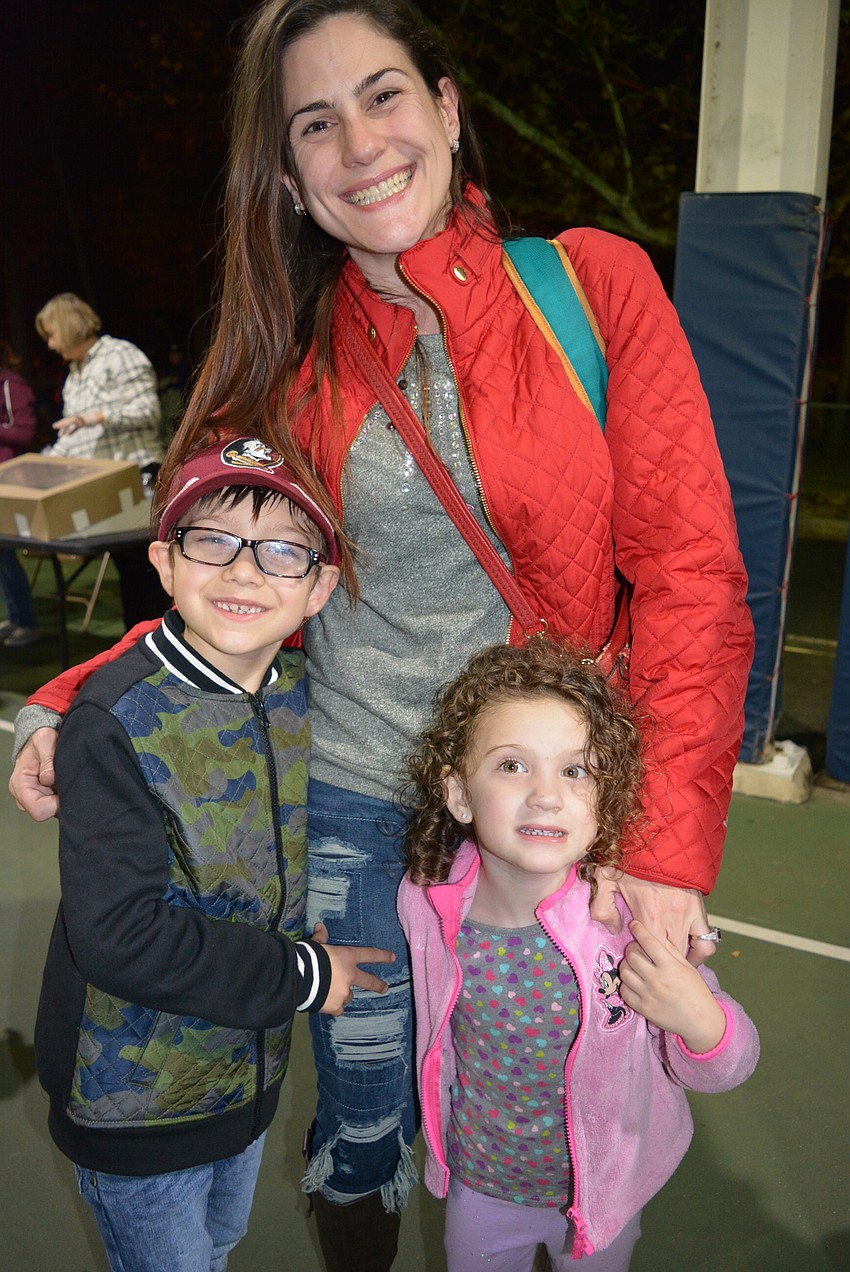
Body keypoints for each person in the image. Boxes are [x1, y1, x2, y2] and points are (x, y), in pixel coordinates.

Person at [10, 3, 755, 1268]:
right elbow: (222, 572)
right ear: (291, 179)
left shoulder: (590, 286)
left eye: (384, 96)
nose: (359, 142)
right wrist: (74, 690)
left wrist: (669, 852)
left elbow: (689, 578)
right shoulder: (283, 358)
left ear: (448, 110)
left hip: (539, 796)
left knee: (542, 1081)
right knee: (364, 1117)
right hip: (353, 790)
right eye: (315, 123)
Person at [35, 434, 394, 1272]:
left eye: (280, 552)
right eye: (213, 541)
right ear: (164, 562)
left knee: (220, 1245)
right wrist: (302, 975)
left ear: (320, 588)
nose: (243, 573)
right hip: (137, 1101)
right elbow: (117, 935)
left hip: (247, 1077)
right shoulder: (113, 720)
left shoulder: (305, 694)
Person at [398, 639, 759, 1271]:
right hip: (481, 1185)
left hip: (601, 1197)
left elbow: (726, 1064)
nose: (545, 795)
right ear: (458, 793)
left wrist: (697, 1017)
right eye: (512, 766)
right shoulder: (425, 901)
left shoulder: (626, 919)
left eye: (576, 770)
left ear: (608, 797)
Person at [35, 292, 169, 626]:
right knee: (129, 573)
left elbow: (147, 412)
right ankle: (135, 645)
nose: (50, 344)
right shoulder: (74, 374)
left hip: (138, 479)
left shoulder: (119, 355)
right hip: (103, 484)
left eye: (51, 334)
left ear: (67, 328)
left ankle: (161, 645)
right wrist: (40, 465)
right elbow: (72, 436)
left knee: (147, 574)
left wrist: (95, 417)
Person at [0, 340, 41, 646]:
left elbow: (24, 434)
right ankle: (16, 617)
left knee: (6, 553)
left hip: (8, 481)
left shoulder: (12, 384)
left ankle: (26, 622)